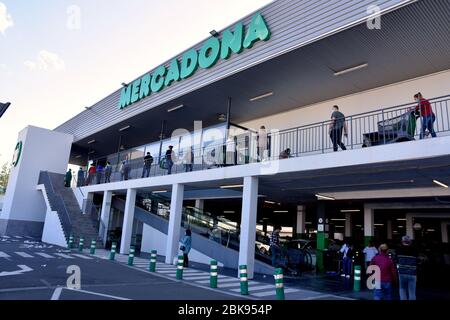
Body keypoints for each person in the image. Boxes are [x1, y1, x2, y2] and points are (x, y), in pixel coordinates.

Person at [396, 235, 418, 300]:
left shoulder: (398, 250)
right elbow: (418, 262)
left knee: (402, 289)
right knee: (412, 292)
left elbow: (396, 261)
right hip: (412, 273)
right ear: (410, 242)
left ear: (402, 241)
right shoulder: (415, 250)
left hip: (402, 273)